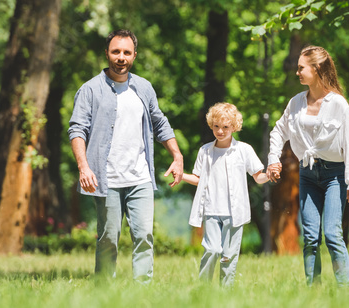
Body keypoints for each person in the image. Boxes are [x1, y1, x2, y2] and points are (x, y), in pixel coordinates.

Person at [68, 29, 184, 283]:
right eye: (116, 51)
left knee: (144, 236)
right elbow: (77, 129)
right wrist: (84, 167)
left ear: (134, 55)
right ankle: (103, 291)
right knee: (108, 238)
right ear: (107, 54)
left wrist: (176, 155)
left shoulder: (143, 87)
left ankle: (142, 293)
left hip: (139, 177)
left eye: (127, 52)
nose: (121, 57)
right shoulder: (90, 90)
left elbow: (160, 122)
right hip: (105, 179)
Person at [267, 45, 349, 287]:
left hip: (335, 176)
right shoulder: (296, 103)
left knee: (332, 234)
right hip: (307, 174)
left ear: (317, 68)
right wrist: (273, 159)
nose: (297, 72)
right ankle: (314, 292)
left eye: (301, 68)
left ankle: (345, 293)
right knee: (310, 237)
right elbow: (278, 132)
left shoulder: (338, 104)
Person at [182, 103, 269, 286]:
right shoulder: (205, 151)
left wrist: (270, 174)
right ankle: (203, 288)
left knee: (228, 256)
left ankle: (225, 294)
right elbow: (199, 179)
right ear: (211, 125)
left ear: (234, 127)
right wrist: (181, 175)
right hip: (211, 210)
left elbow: (258, 177)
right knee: (212, 250)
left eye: (225, 127)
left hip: (235, 214)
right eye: (216, 126)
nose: (220, 131)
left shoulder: (244, 150)